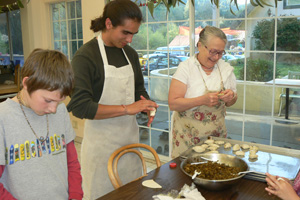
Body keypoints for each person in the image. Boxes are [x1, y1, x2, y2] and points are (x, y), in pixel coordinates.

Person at [67, 0, 158, 198]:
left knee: (132, 193)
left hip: (129, 146)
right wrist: (127, 108)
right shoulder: (85, 56)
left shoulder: (130, 54)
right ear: (108, 24)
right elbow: (81, 107)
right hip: (101, 150)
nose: (130, 39)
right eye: (125, 32)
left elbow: (138, 91)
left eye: (133, 34)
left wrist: (146, 105)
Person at [0, 49, 83, 200]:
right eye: (48, 100)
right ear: (27, 83)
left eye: (60, 101)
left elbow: (72, 162)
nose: (53, 109)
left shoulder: (60, 111)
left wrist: (76, 195)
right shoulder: (3, 117)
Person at [168, 26, 238, 158]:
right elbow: (173, 103)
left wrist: (231, 97)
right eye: (213, 51)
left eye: (221, 53)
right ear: (200, 46)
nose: (216, 57)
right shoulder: (186, 68)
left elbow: (232, 101)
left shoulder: (225, 69)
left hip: (216, 137)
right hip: (187, 137)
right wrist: (202, 100)